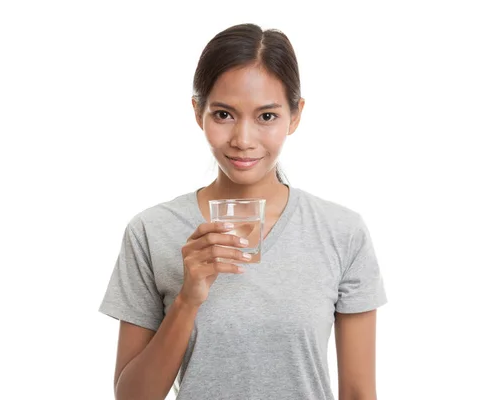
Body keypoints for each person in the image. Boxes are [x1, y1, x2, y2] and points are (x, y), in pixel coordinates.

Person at [99, 23, 388, 400]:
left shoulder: (341, 232)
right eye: (223, 114)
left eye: (266, 116)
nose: (243, 140)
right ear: (198, 111)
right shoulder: (151, 232)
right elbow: (132, 397)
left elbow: (358, 392)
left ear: (295, 115)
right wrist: (188, 299)